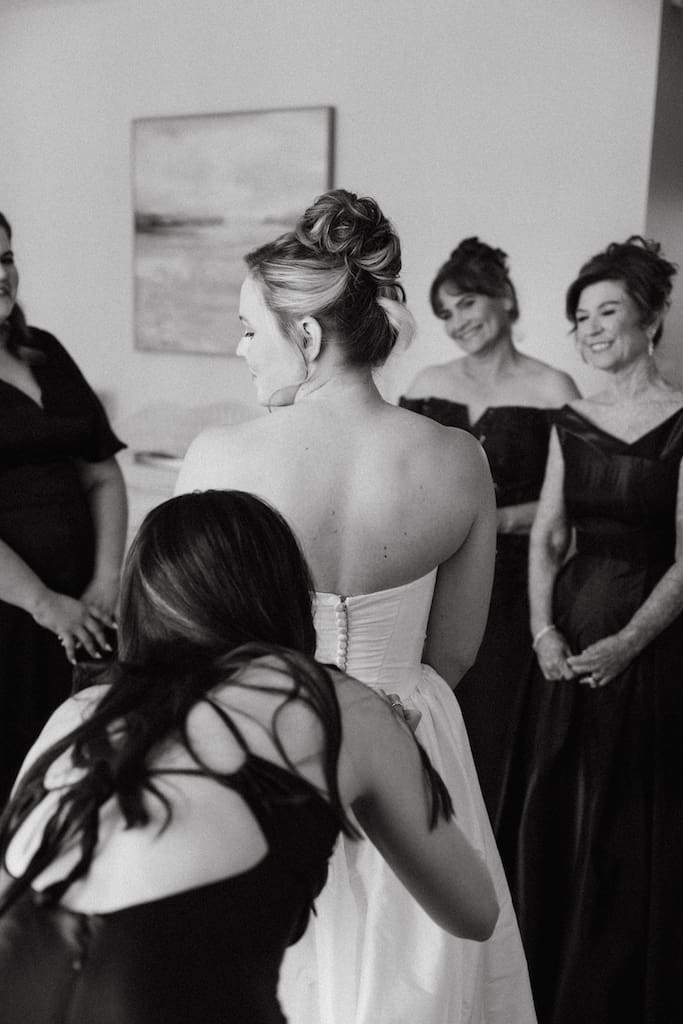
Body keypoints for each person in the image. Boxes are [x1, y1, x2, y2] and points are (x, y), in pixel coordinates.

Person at [176, 190, 536, 1024]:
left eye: (247, 329)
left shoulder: (217, 457)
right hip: (411, 739)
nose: (239, 350)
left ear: (305, 334)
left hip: (263, 743)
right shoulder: (458, 460)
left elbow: (190, 646)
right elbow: (453, 651)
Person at [0, 490, 500, 1024]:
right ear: (285, 595)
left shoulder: (83, 709)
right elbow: (475, 912)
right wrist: (392, 758)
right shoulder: (328, 699)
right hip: (151, 990)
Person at [497, 236, 683, 1024]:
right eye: (579, 318)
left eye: (607, 311)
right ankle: (539, 970)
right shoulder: (568, 419)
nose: (591, 329)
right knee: (555, 795)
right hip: (568, 629)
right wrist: (542, 632)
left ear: (651, 318)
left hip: (650, 642)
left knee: (630, 812)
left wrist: (629, 643)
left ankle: (610, 986)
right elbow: (546, 534)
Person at [400, 238, 579, 829]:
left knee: (494, 727)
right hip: (428, 579)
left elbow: (574, 502)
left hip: (514, 589)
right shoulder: (427, 382)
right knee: (422, 711)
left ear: (504, 299)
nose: (457, 323)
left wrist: (495, 521)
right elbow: (396, 479)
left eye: (468, 303)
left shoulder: (554, 389)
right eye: (445, 314)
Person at [0, 212, 127, 804]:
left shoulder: (44, 350)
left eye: (5, 259)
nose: (2, 276)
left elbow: (101, 473)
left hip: (87, 606)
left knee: (82, 770)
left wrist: (105, 581)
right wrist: (48, 607)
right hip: (15, 615)